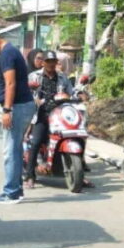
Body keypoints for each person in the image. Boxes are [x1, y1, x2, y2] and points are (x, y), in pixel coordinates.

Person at [0, 26, 35, 203]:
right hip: (22, 105)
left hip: (17, 107)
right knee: (15, 149)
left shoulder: (7, 54)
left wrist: (7, 110)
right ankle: (16, 189)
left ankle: (11, 193)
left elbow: (10, 84)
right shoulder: (11, 52)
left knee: (10, 151)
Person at [24, 50, 74, 187]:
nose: (51, 64)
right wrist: (34, 100)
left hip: (60, 116)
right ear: (43, 63)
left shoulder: (63, 77)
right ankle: (30, 176)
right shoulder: (34, 76)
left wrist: (78, 95)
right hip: (42, 115)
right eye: (48, 61)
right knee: (35, 142)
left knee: (74, 137)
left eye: (53, 61)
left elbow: (72, 92)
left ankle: (79, 174)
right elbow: (25, 93)